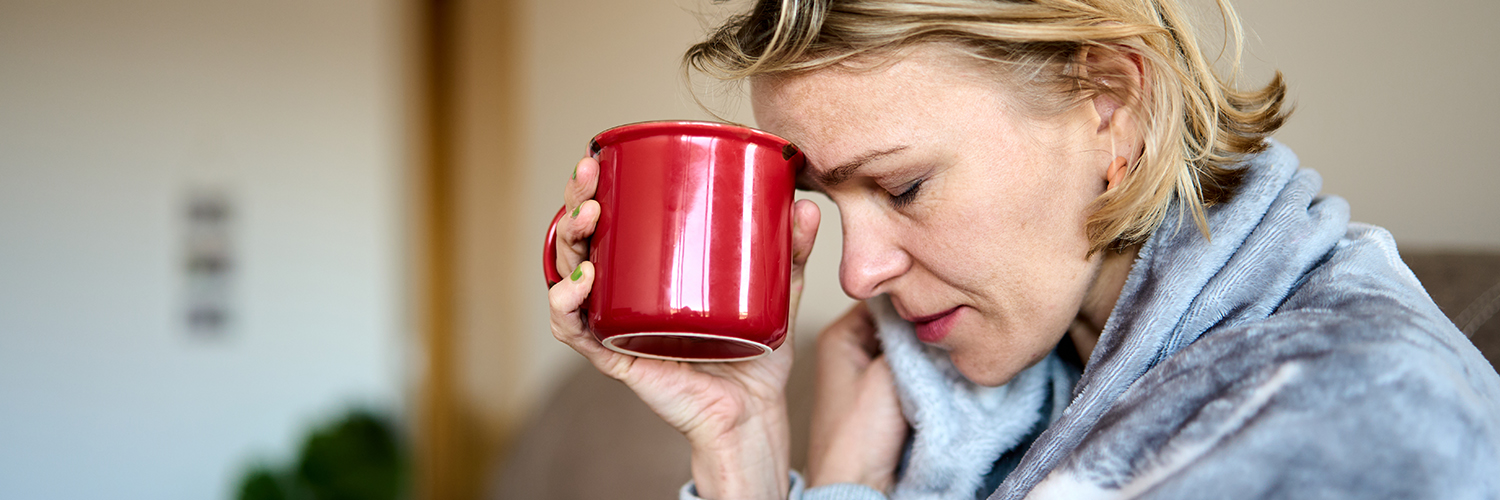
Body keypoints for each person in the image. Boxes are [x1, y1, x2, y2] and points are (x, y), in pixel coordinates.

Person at [546, 0, 1500, 498]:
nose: (856, 271)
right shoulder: (1017, 387)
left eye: (904, 186)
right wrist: (741, 449)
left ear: (1109, 105)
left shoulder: (1360, 412)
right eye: (832, 203)